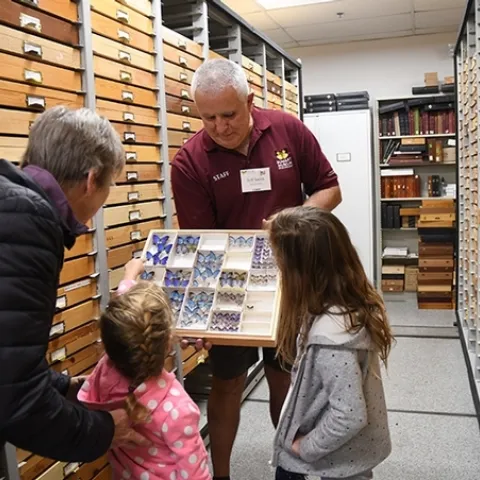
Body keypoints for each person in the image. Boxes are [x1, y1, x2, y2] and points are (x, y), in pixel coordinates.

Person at [171, 58, 342, 479]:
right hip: (232, 287)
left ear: (250, 101)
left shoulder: (287, 130)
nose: (220, 127)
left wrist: (290, 223)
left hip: (291, 279)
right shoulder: (189, 162)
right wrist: (200, 313)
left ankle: (291, 467)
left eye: (228, 114)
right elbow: (200, 245)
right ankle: (221, 474)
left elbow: (330, 189)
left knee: (285, 377)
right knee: (227, 383)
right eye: (208, 117)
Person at [0, 107, 148, 462]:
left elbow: (7, 357)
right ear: (92, 179)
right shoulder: (27, 221)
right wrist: (104, 430)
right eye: (109, 186)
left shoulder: (11, 202)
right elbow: (15, 401)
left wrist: (61, 386)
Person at [266, 206, 393, 480]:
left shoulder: (331, 339)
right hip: (342, 451)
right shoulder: (340, 306)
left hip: (336, 458)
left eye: (280, 264)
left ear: (301, 272)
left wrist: (306, 447)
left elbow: (349, 415)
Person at [78, 259, 211, 480]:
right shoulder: (177, 407)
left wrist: (129, 276)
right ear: (170, 342)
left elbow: (123, 322)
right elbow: (195, 474)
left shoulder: (105, 372)